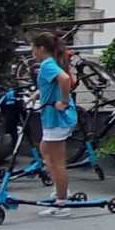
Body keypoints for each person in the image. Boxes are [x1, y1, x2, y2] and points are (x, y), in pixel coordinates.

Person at [30, 32, 77, 217]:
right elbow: (51, 84)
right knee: (46, 152)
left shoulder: (47, 64)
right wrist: (38, 94)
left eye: (34, 47)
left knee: (57, 162)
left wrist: (63, 102)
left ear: (41, 48)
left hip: (56, 118)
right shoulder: (51, 63)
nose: (32, 51)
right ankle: (61, 191)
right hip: (53, 118)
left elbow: (64, 79)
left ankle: (62, 202)